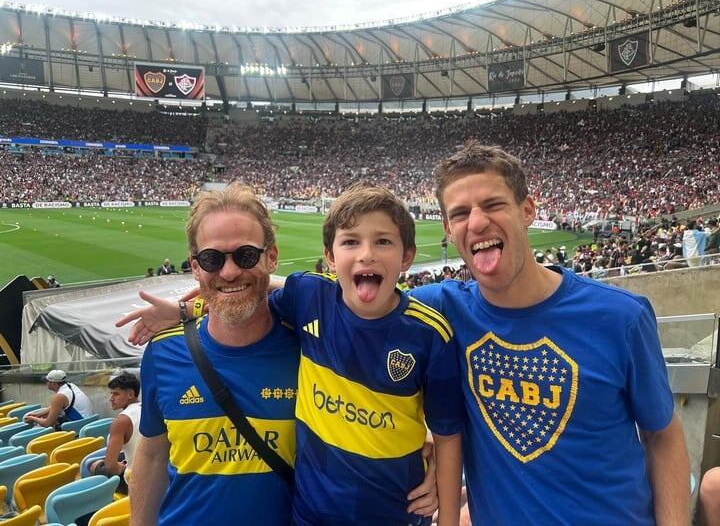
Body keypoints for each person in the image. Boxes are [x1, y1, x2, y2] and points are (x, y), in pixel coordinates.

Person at [124, 183, 438, 526]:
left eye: (245, 255)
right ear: (195, 267)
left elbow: (384, 403)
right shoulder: (163, 351)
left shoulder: (312, 346)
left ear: (271, 257)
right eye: (212, 259)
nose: (229, 272)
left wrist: (429, 458)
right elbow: (152, 457)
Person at [409, 142, 689, 524]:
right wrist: (412, 443)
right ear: (447, 228)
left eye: (493, 205)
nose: (476, 223)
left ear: (527, 210)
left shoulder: (621, 316)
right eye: (460, 213)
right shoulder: (441, 309)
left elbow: (662, 435)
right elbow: (355, 313)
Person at [269, 184, 463, 525]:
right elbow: (250, 305)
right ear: (330, 256)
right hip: (311, 514)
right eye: (351, 241)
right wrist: (189, 309)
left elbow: (447, 438)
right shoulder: (308, 295)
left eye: (383, 241)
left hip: (395, 514)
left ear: (407, 257)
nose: (367, 254)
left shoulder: (430, 334)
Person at [88, 372, 141, 495]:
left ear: (131, 394)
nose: (111, 398)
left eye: (116, 394)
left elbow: (111, 466)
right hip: (155, 471)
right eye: (111, 393)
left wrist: (122, 467)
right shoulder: (148, 409)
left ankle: (99, 504)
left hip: (135, 478)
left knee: (92, 464)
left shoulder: (121, 421)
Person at [25, 369, 95, 429]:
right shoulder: (71, 386)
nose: (46, 383)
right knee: (48, 417)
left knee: (44, 425)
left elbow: (47, 424)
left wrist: (33, 418)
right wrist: (37, 414)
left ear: (54, 384)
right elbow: (55, 407)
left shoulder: (60, 396)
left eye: (47, 381)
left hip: (79, 426)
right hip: (88, 422)